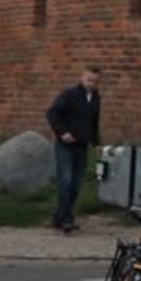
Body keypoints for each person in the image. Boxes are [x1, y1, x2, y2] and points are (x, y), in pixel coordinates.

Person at [46, 65, 102, 234]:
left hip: (82, 146)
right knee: (66, 181)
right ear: (82, 78)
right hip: (65, 146)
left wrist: (96, 142)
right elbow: (52, 113)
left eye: (95, 81)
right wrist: (62, 132)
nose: (91, 84)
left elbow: (94, 121)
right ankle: (66, 220)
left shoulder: (96, 98)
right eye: (88, 80)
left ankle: (60, 216)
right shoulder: (69, 95)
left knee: (76, 185)